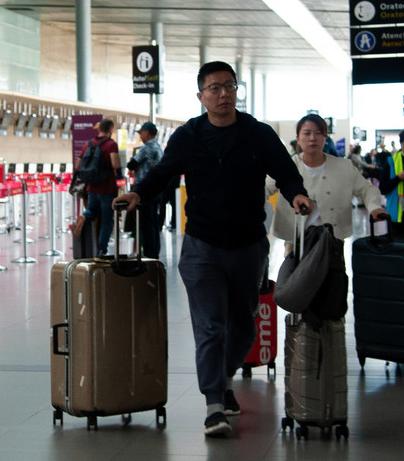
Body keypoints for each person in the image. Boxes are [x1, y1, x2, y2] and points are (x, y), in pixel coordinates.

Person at [113, 61, 312, 438]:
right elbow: (163, 173)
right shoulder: (189, 135)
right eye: (214, 88)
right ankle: (213, 406)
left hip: (248, 246)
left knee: (243, 330)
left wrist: (297, 193)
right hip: (202, 246)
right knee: (210, 326)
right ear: (201, 95)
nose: (223, 94)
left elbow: (285, 170)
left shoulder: (257, 134)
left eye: (229, 87)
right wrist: (138, 192)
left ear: (237, 91)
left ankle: (221, 382)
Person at [267, 114, 385, 249]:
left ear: (325, 138)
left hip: (333, 241)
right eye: (306, 133)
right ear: (298, 139)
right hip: (296, 241)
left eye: (318, 133)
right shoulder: (286, 166)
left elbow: (367, 189)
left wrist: (375, 207)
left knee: (334, 270)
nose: (312, 138)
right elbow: (265, 187)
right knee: (295, 270)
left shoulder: (344, 167)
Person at [73, 118, 121, 256]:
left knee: (92, 211)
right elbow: (115, 164)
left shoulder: (88, 144)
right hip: (107, 187)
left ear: (99, 129)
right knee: (107, 220)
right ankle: (101, 249)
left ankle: (84, 217)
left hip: (92, 187)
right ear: (110, 130)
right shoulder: (111, 144)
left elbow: (78, 166)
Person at [126, 122, 164, 256]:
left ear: (147, 132)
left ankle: (148, 253)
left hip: (145, 191)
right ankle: (154, 252)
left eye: (141, 133)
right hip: (157, 189)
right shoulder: (159, 147)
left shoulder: (146, 148)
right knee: (153, 222)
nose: (140, 136)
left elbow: (131, 164)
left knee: (146, 224)